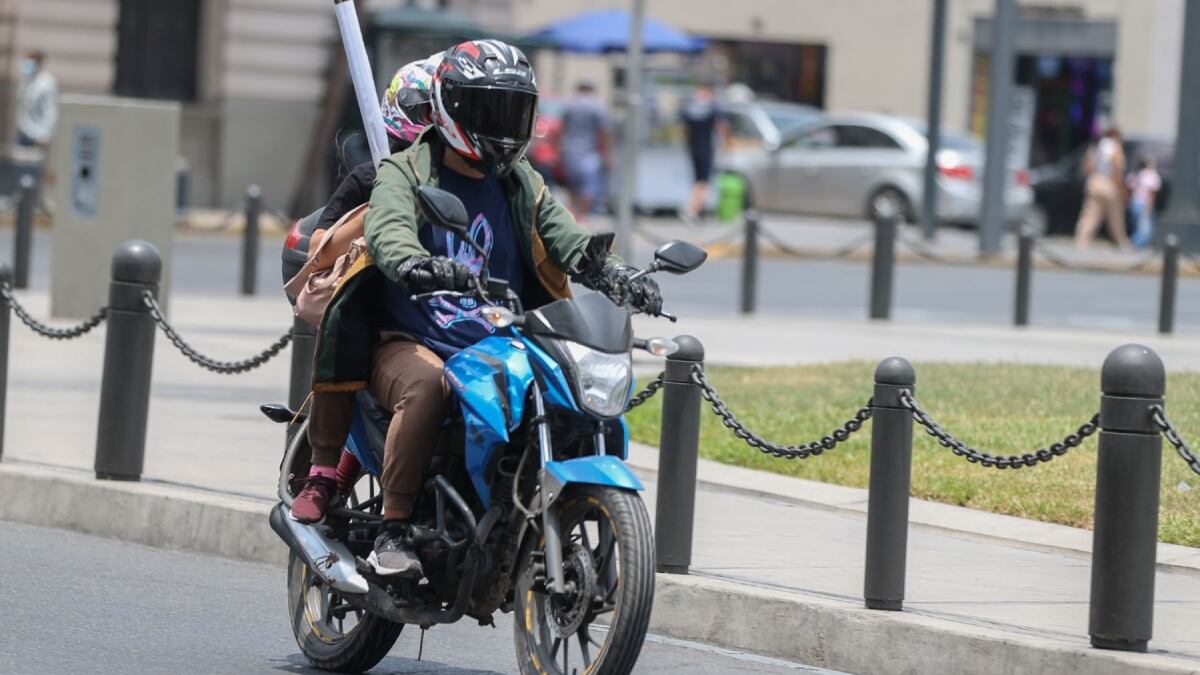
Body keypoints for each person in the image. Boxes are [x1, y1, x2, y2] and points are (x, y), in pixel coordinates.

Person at [291, 39, 661, 578]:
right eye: (490, 109)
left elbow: (567, 238)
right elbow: (390, 230)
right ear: (451, 107)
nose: (505, 125)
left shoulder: (520, 181)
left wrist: (616, 274)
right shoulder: (406, 171)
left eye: (515, 110)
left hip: (502, 335)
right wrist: (415, 264)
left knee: (567, 396)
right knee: (427, 387)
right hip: (408, 337)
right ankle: (395, 526)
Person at [289, 56, 440, 518]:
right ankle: (323, 471)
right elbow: (319, 243)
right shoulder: (372, 176)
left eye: (440, 111)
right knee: (349, 325)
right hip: (382, 308)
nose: (431, 122)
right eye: (423, 110)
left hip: (449, 313)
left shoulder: (469, 180)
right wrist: (373, 218)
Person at [557, 81, 610, 222]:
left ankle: (573, 215)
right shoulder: (597, 106)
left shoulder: (569, 105)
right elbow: (603, 132)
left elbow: (561, 129)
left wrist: (558, 150)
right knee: (588, 188)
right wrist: (606, 154)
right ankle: (581, 216)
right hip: (589, 153)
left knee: (572, 186)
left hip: (569, 150)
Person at [1074, 126, 1130, 249]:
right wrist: (1121, 188)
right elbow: (1117, 168)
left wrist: (1093, 174)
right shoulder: (1115, 147)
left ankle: (1081, 242)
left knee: (1090, 214)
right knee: (1116, 215)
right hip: (1109, 183)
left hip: (1095, 180)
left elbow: (1086, 164)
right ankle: (1122, 243)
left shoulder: (1097, 146)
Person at [679, 83, 728, 222]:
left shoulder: (691, 107)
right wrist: (723, 143)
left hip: (693, 147)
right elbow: (722, 126)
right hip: (707, 147)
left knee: (698, 179)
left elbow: (685, 129)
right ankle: (692, 208)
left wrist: (687, 143)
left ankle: (694, 208)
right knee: (705, 182)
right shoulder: (712, 107)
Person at [14, 50, 57, 153]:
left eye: (30, 63)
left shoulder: (47, 82)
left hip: (38, 135)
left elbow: (50, 109)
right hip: (24, 131)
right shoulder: (27, 80)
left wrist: (45, 134)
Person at [1128, 155, 1162, 249]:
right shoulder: (1151, 175)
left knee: (1136, 226)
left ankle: (1134, 244)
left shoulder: (1136, 173)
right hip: (1144, 203)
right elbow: (1150, 193)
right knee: (1145, 229)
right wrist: (1149, 206)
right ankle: (1134, 245)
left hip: (1134, 203)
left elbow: (1130, 188)